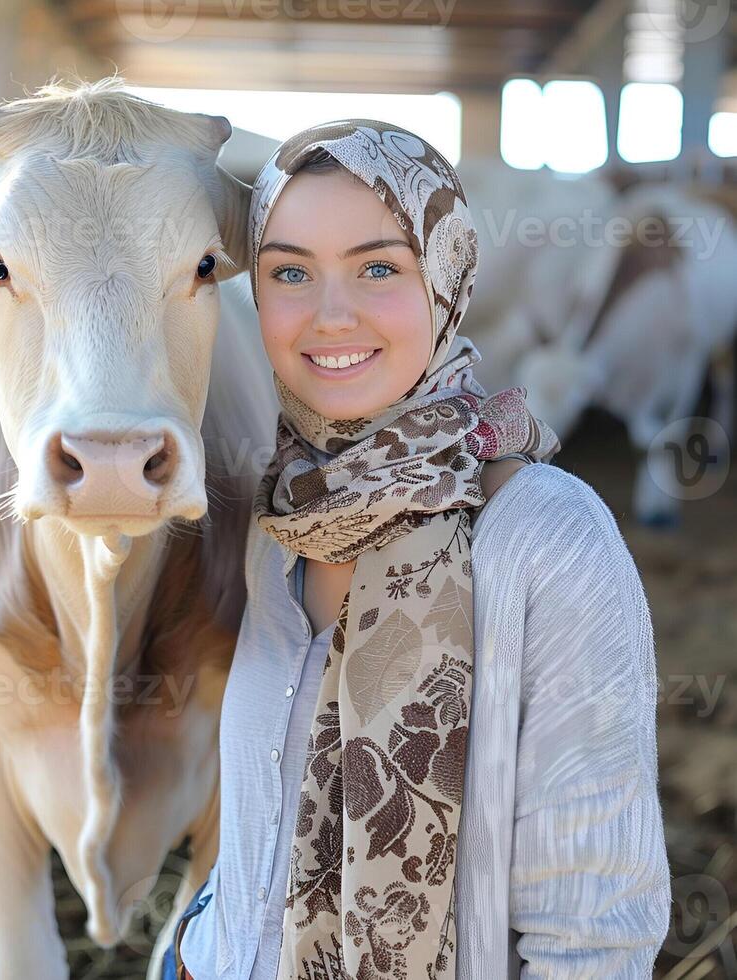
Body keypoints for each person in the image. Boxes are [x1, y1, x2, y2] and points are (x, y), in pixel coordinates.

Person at [164, 120, 671, 979]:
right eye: (290, 272)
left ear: (448, 278)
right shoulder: (279, 520)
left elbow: (593, 935)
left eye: (378, 268)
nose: (330, 316)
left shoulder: (547, 541)